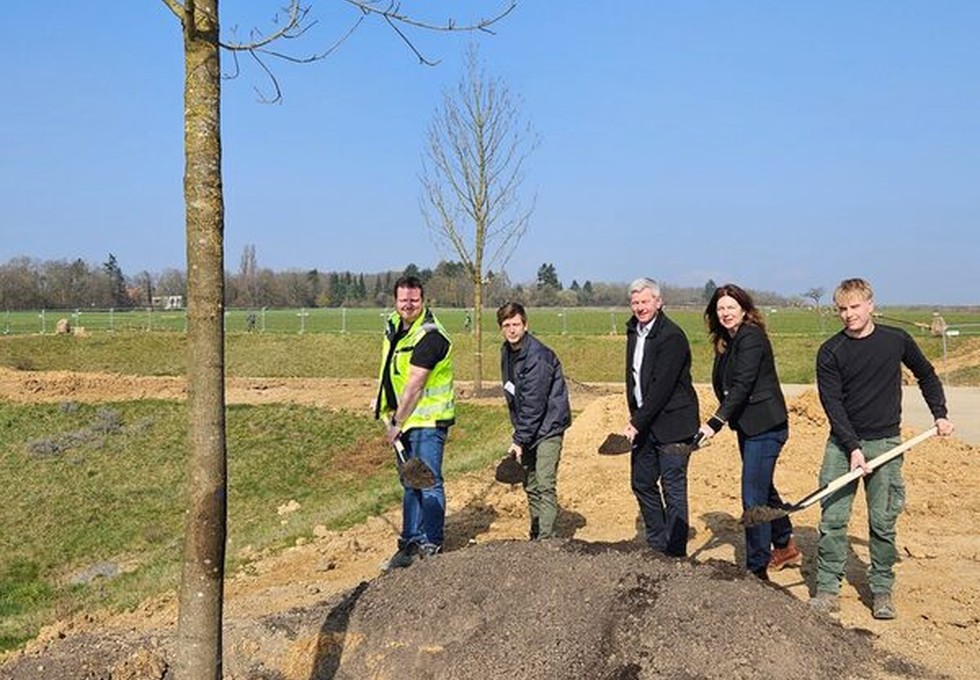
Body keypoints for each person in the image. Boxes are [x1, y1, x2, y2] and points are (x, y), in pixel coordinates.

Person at [811, 278, 954, 619]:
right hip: (842, 444)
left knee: (883, 521)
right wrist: (852, 448)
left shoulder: (896, 341)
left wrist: (940, 414)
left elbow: (927, 375)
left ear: (871, 305)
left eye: (855, 307)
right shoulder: (830, 351)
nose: (848, 315)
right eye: (842, 309)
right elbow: (832, 404)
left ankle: (881, 590)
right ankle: (828, 589)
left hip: (887, 442)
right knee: (832, 519)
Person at [698, 284, 801, 580]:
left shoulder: (751, 337)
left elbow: (742, 384)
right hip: (748, 425)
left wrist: (715, 422)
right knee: (763, 486)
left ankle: (757, 568)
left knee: (752, 495)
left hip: (767, 426)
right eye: (720, 309)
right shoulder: (726, 340)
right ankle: (784, 544)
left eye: (731, 307)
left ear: (744, 309)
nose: (726, 313)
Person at [375, 275, 455, 569]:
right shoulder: (395, 327)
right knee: (410, 482)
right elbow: (390, 371)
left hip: (427, 421)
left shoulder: (431, 336)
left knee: (428, 481)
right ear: (395, 301)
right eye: (403, 300)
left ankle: (431, 543)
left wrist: (396, 421)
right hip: (405, 418)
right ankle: (410, 542)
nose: (408, 305)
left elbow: (415, 385)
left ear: (423, 301)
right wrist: (382, 402)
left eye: (414, 300)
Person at [622, 278, 700, 556]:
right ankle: (657, 543)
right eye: (635, 303)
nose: (640, 307)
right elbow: (634, 378)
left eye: (645, 302)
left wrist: (635, 423)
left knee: (673, 487)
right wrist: (636, 416)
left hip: (674, 425)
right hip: (645, 423)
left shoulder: (672, 337)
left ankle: (676, 552)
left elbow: (661, 387)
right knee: (641, 482)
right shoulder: (634, 331)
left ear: (658, 302)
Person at [497, 302, 572, 540]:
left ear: (525, 325)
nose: (512, 330)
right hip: (528, 426)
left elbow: (534, 403)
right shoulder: (507, 352)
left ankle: (546, 542)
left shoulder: (537, 357)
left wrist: (519, 439)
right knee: (529, 482)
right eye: (506, 325)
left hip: (548, 426)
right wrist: (519, 430)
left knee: (544, 482)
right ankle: (536, 531)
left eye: (516, 324)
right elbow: (514, 393)